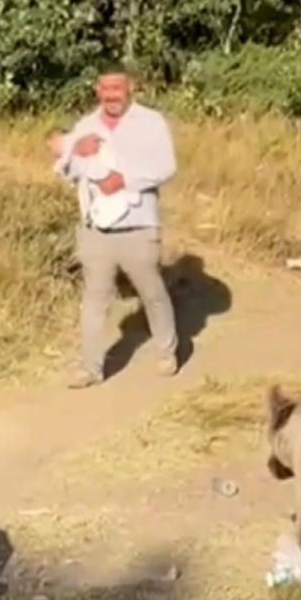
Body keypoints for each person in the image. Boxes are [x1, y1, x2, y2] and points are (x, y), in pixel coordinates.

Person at [53, 66, 179, 389]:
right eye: (105, 89)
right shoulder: (86, 125)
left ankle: (167, 351)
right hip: (96, 226)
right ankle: (90, 367)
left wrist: (125, 179)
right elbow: (67, 171)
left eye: (117, 89)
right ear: (98, 91)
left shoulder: (151, 122)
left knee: (151, 291)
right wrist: (73, 152)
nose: (111, 95)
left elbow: (167, 166)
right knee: (95, 298)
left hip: (138, 224)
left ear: (130, 88)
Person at [47, 126, 140, 231]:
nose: (52, 153)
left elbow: (63, 167)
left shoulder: (78, 148)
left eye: (51, 147)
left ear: (58, 140)